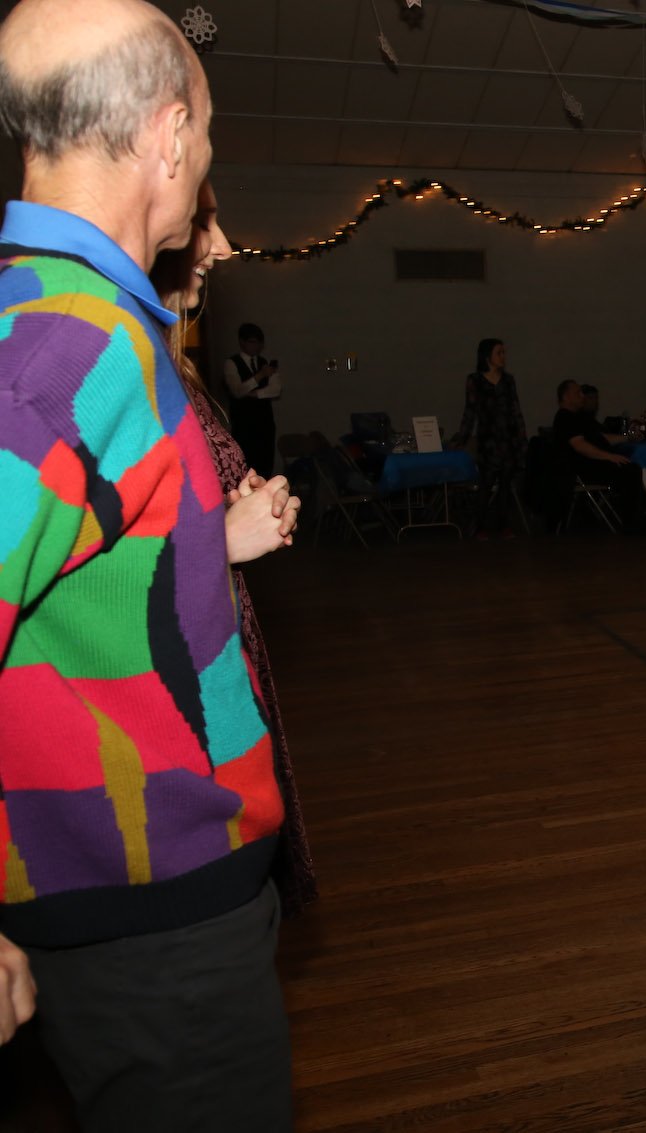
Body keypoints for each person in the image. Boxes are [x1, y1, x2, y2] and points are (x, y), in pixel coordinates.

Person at [0, 2, 297, 1128]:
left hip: (141, 884)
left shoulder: (65, 316)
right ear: (169, 137)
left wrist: (208, 540)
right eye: (207, 131)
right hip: (144, 911)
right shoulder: (66, 342)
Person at [152, 180, 317, 917]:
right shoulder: (111, 361)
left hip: (216, 632)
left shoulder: (168, 361)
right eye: (206, 222)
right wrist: (221, 537)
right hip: (173, 682)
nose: (221, 247)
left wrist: (236, 507)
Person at [449, 337, 527, 537]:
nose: (503, 356)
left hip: (508, 439)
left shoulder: (508, 380)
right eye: (499, 353)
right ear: (487, 356)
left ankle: (503, 524)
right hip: (489, 440)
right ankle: (480, 526)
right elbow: (470, 411)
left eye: (503, 353)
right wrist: (462, 438)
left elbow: (516, 410)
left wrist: (521, 438)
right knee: (486, 483)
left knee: (505, 485)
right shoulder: (475, 380)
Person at [552, 378, 646, 529]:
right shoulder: (565, 418)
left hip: (593, 464)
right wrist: (609, 457)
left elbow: (601, 438)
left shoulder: (579, 418)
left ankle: (634, 520)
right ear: (566, 397)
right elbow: (580, 446)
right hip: (584, 469)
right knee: (630, 471)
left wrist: (628, 438)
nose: (582, 396)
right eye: (578, 393)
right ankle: (633, 524)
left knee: (631, 467)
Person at [224, 321, 281, 476]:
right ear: (242, 342)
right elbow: (237, 390)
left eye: (259, 343)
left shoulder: (264, 362)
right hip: (244, 423)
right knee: (246, 464)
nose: (256, 347)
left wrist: (255, 394)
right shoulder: (232, 363)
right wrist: (260, 376)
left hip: (265, 422)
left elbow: (276, 389)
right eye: (252, 342)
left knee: (265, 463)